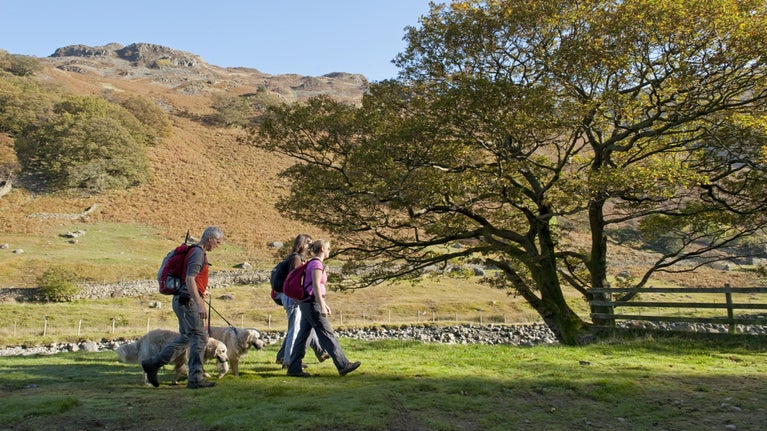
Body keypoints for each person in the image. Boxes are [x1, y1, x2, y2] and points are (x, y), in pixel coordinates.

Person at [142, 226, 224, 389]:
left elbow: (191, 279)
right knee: (199, 336)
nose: (218, 245)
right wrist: (199, 302)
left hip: (183, 299)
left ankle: (153, 364)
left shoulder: (194, 252)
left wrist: (201, 292)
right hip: (188, 302)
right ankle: (195, 379)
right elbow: (190, 278)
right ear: (210, 238)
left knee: (187, 337)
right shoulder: (198, 253)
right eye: (218, 242)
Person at [286, 239, 361, 377]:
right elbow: (315, 285)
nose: (329, 251)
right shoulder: (316, 263)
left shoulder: (312, 263)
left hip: (308, 303)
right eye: (328, 248)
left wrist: (324, 304)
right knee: (327, 334)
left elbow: (314, 286)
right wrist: (321, 305)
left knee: (303, 336)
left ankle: (294, 368)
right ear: (321, 249)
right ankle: (343, 364)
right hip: (312, 303)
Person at [275, 234, 329, 368]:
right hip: (293, 297)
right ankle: (288, 361)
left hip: (292, 297)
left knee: (302, 327)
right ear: (302, 244)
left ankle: (287, 358)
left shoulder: (299, 258)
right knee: (295, 329)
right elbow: (294, 279)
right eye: (308, 243)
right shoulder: (296, 258)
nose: (310, 246)